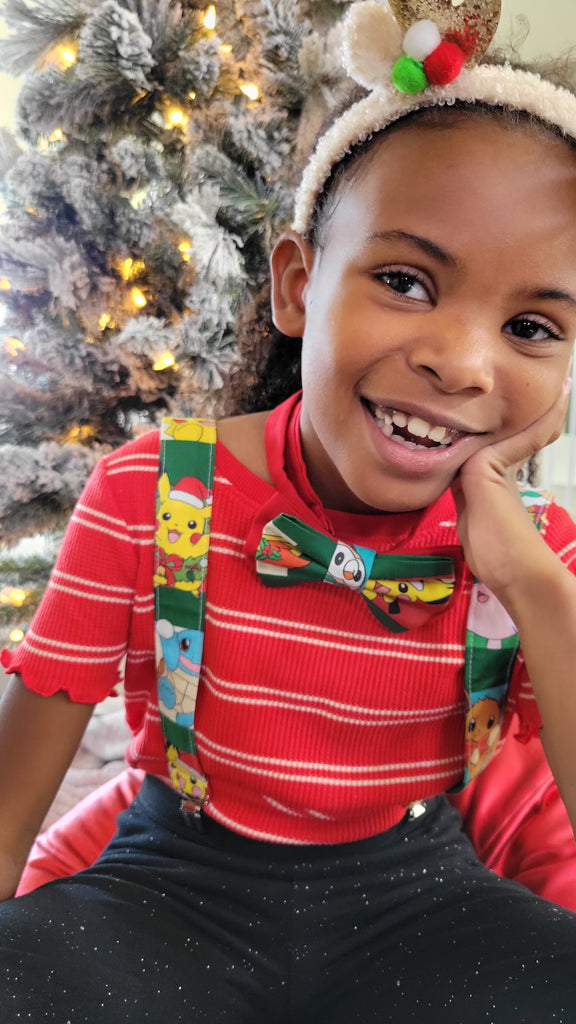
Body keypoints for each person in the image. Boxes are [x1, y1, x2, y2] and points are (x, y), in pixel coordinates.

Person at [2, 1, 576, 1019]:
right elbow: (17, 790)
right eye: (405, 281)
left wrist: (530, 582)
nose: (462, 362)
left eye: (532, 325)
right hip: (169, 887)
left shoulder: (538, 554)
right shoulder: (150, 491)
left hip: (421, 900)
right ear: (300, 285)